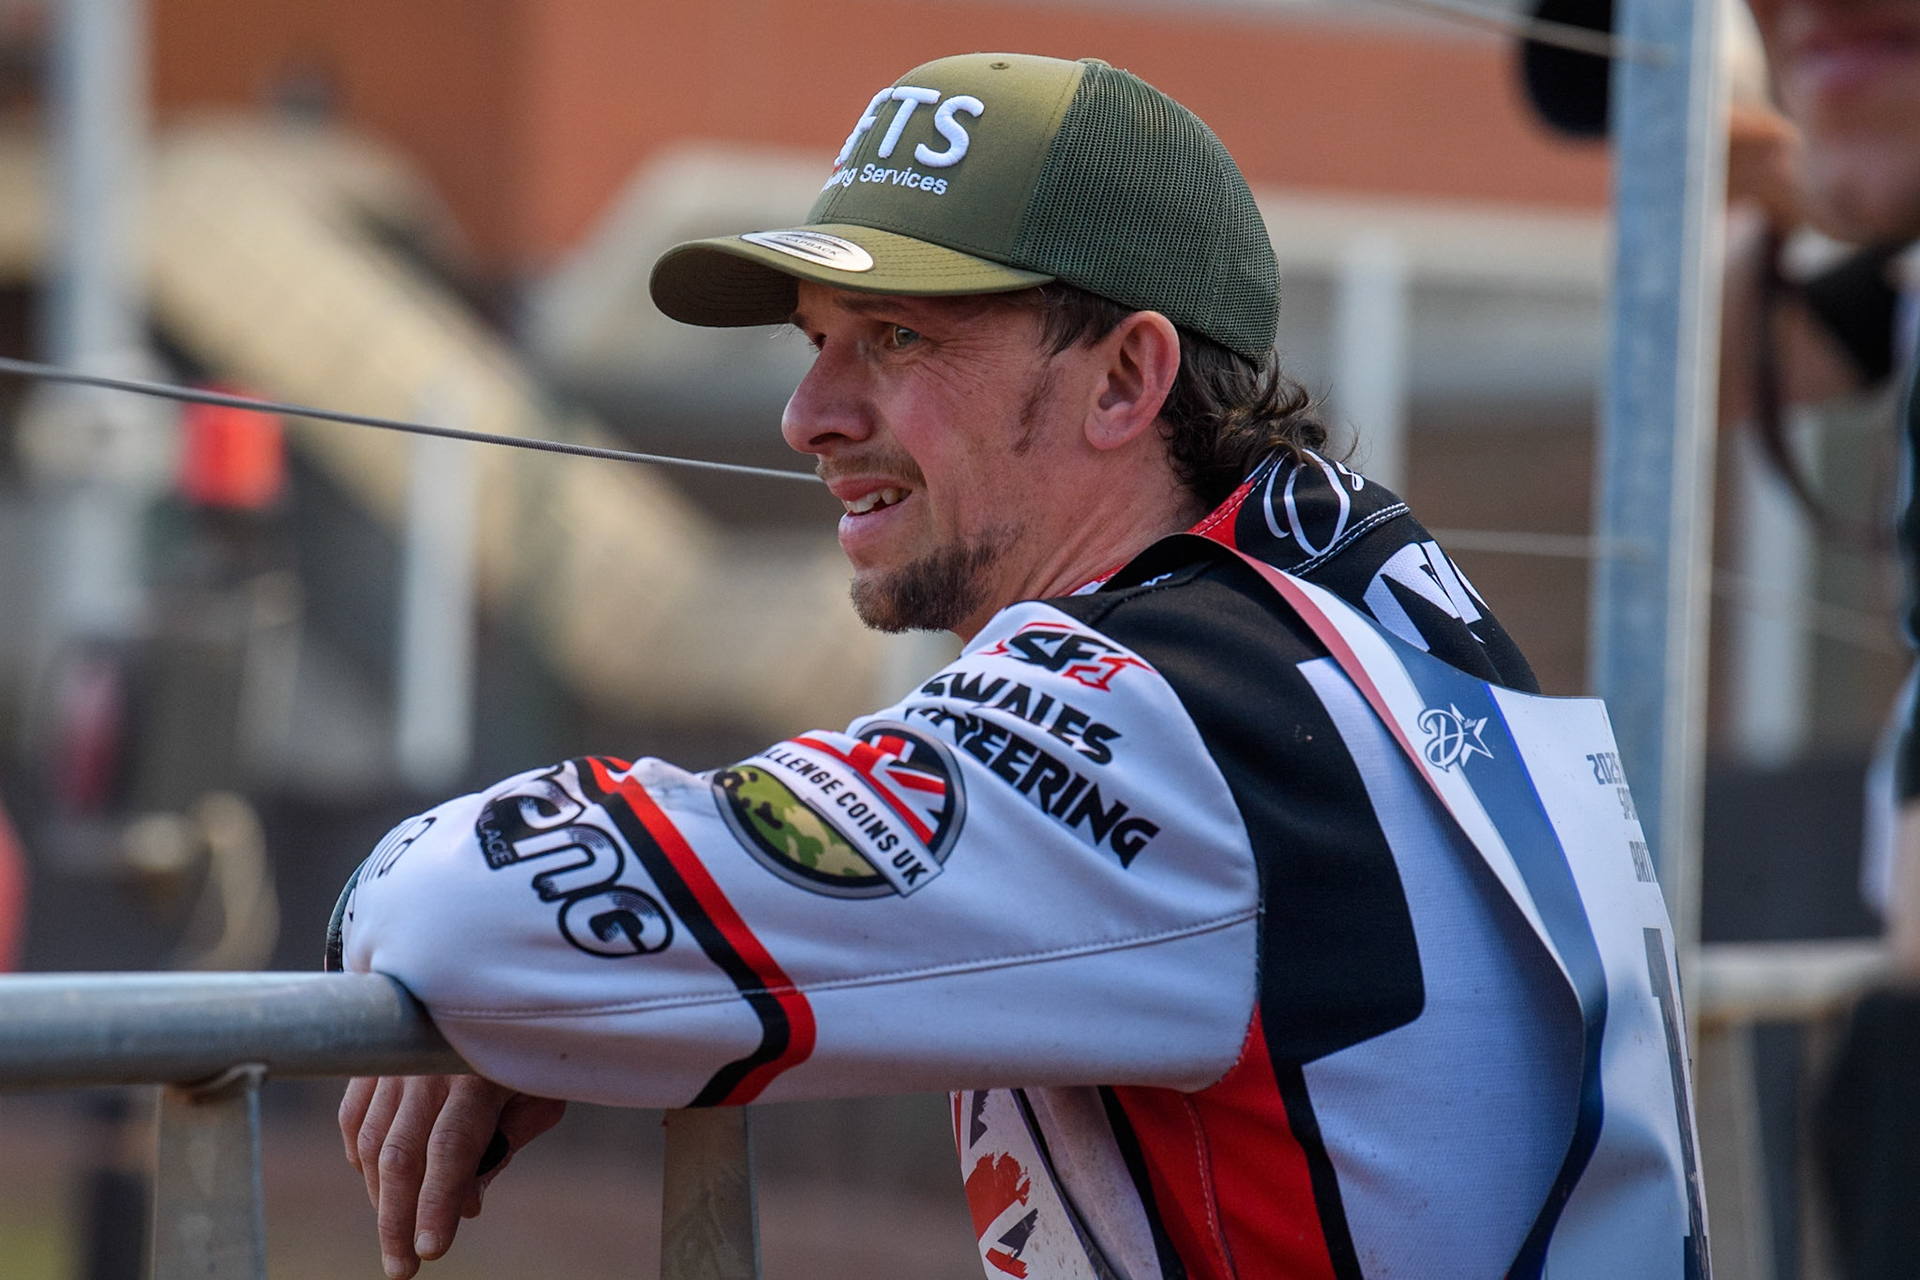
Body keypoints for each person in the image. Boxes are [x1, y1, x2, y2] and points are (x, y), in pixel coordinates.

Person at [332, 53, 1702, 1280]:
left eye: (903, 338)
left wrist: (512, 961)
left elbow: (474, 919)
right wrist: (612, 1005)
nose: (810, 415)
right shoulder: (1357, 609)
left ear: (1124, 381)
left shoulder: (1172, 711)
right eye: (818, 345)